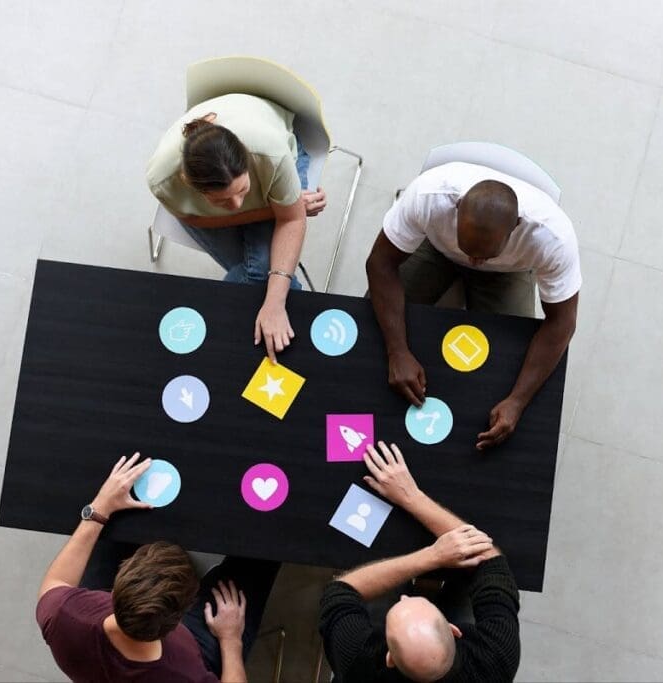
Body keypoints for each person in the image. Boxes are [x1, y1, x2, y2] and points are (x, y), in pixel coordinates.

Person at [365, 161, 581, 450]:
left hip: (507, 272)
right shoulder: (428, 197)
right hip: (437, 250)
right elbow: (380, 263)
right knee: (372, 331)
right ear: (456, 208)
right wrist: (398, 351)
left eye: (483, 255)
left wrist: (517, 400)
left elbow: (562, 322)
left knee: (510, 364)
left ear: (517, 227)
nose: (473, 262)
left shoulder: (552, 237)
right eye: (469, 250)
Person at [36, 453, 280, 682]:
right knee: (270, 542)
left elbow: (54, 584)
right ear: (179, 618)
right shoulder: (185, 674)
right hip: (195, 649)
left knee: (115, 513)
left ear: (119, 582)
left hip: (109, 648)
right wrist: (231, 639)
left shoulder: (64, 617)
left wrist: (99, 508)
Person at [147, 93, 328, 363]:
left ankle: (213, 343)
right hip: (255, 205)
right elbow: (192, 219)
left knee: (264, 278)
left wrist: (275, 304)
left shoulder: (270, 153)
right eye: (221, 200)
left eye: (243, 190)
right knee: (263, 275)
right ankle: (285, 353)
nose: (237, 205)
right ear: (189, 182)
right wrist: (269, 210)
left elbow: (292, 220)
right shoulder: (163, 179)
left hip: (281, 152)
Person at [319, 442, 521, 682]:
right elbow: (490, 560)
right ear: (453, 630)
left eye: (402, 603)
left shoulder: (358, 664)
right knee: (467, 575)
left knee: (380, 564)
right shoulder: (495, 660)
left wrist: (431, 557)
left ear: (389, 658)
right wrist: (412, 497)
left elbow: (340, 590)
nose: (407, 596)